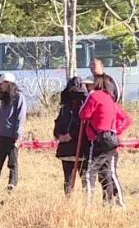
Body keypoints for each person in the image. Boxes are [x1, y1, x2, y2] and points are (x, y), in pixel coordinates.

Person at [80, 75, 132, 207]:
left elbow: (83, 114)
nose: (86, 87)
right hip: (112, 138)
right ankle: (119, 204)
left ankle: (87, 205)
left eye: (88, 85)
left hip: (100, 139)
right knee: (109, 172)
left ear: (95, 84)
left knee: (89, 172)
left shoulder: (94, 96)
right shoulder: (109, 98)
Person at [0, 72, 28, 192]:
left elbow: (20, 117)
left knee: (12, 162)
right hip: (2, 135)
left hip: (12, 136)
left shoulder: (19, 97)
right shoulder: (4, 98)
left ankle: (12, 184)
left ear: (8, 83)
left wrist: (18, 136)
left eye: (2, 83)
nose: (0, 86)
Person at [54, 76, 89, 195]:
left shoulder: (84, 107)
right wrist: (59, 136)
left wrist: (71, 135)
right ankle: (68, 200)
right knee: (68, 179)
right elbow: (58, 123)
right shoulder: (65, 108)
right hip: (66, 149)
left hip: (82, 148)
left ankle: (87, 200)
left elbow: (84, 125)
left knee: (85, 178)